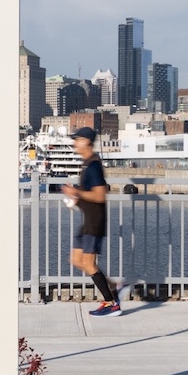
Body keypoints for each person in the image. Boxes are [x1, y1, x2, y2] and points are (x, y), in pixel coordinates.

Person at [62, 126, 120, 314]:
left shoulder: (94, 165)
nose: (74, 143)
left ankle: (112, 303)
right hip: (88, 220)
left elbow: (100, 196)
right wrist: (76, 199)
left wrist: (76, 192)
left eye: (77, 139)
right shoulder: (87, 163)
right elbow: (90, 196)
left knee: (88, 263)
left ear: (86, 141)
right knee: (76, 259)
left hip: (94, 223)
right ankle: (112, 286)